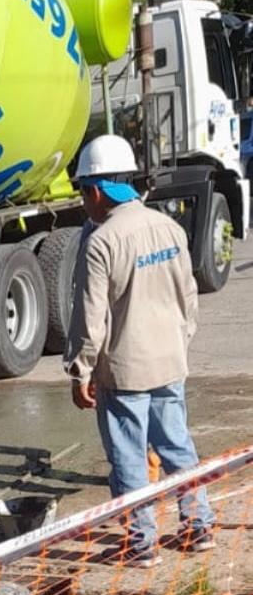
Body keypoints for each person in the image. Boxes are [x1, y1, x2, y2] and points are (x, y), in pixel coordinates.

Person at [64, 134, 213, 568]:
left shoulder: (102, 241)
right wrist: (179, 343)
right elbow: (189, 297)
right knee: (177, 447)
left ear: (94, 190)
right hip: (169, 360)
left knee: (128, 458)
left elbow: (90, 317)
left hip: (125, 372)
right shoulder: (168, 226)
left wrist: (80, 370)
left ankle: (141, 543)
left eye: (81, 192)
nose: (83, 202)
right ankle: (199, 526)